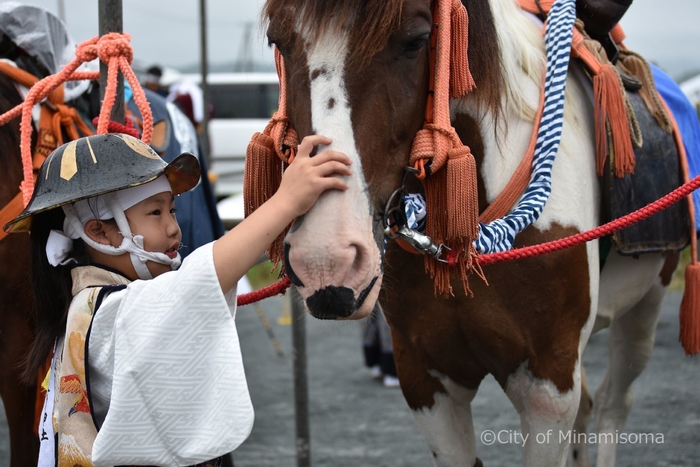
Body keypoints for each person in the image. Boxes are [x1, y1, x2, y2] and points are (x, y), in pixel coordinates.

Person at [4, 133, 351, 466]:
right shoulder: (106, 312)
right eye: (155, 213)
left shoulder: (92, 304)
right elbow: (200, 280)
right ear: (98, 232)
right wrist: (286, 201)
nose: (173, 228)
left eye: (171, 210)